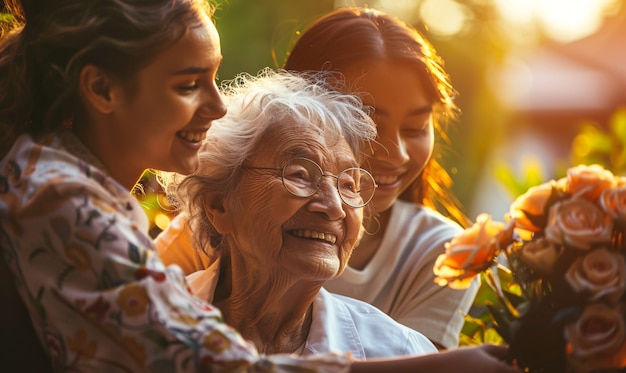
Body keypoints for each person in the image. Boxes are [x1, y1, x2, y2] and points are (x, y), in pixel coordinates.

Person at [0, 0, 518, 371]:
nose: (216, 106)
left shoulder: (65, 185)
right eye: (187, 85)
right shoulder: (59, 195)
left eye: (346, 182)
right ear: (101, 88)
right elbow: (203, 361)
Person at [157, 6, 479, 350]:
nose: (397, 153)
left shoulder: (405, 330)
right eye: (299, 174)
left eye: (349, 184)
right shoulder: (153, 316)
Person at [160, 68, 438, 358]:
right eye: (300, 175)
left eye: (347, 185)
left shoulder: (400, 355)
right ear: (219, 205)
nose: (334, 207)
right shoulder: (148, 323)